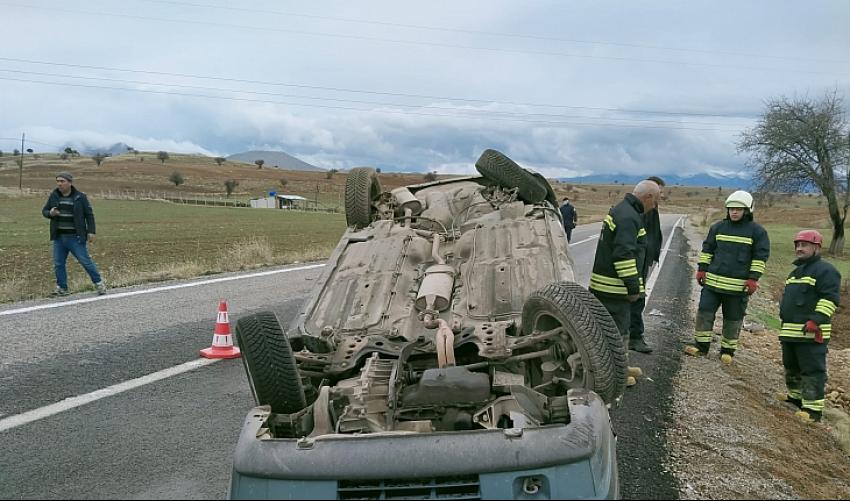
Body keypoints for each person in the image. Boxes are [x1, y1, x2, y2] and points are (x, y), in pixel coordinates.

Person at [589, 180, 662, 386]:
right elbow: (624, 255)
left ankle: (620, 366)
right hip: (613, 288)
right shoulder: (628, 217)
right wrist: (633, 287)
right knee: (615, 332)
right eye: (655, 201)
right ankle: (615, 376)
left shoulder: (625, 211)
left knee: (619, 329)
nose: (655, 206)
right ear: (647, 197)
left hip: (610, 285)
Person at [685, 190, 769, 364]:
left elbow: (759, 258)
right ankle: (701, 347)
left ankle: (728, 351)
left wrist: (753, 279)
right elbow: (707, 250)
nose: (734, 212)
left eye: (739, 209)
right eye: (731, 209)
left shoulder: (757, 232)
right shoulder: (718, 227)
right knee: (704, 314)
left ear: (748, 210)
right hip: (712, 285)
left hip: (737, 289)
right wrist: (702, 269)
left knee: (733, 320)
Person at [776, 230, 839, 423]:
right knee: (791, 366)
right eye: (797, 245)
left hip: (812, 333)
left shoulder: (826, 271)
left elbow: (830, 299)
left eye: (804, 245)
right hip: (790, 332)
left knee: (812, 369)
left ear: (816, 248)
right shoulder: (794, 273)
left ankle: (813, 410)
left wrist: (816, 320)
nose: (799, 248)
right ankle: (795, 397)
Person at [42, 172, 107, 296]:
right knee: (58, 263)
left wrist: (91, 231)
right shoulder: (54, 196)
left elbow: (89, 214)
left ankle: (99, 283)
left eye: (62, 181)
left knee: (85, 261)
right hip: (59, 237)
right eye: (58, 181)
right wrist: (50, 213)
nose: (59, 184)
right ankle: (62, 288)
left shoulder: (80, 197)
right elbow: (44, 211)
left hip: (75, 237)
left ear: (70, 183)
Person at [629, 176, 665, 353]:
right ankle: (634, 337)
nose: (661, 195)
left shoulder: (652, 208)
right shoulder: (643, 210)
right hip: (638, 261)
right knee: (636, 298)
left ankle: (633, 334)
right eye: (659, 191)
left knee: (637, 298)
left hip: (644, 259)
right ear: (649, 193)